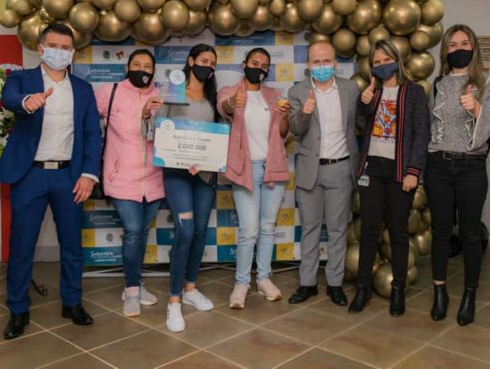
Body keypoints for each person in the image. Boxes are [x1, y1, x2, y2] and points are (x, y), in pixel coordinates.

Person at [0, 23, 101, 339]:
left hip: (70, 176)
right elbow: (9, 98)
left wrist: (88, 174)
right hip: (30, 175)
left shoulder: (83, 89)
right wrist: (28, 101)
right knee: (22, 245)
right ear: (41, 49)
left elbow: (92, 134)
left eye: (66, 48)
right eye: (53, 46)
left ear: (72, 52)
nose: (59, 52)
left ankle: (72, 302)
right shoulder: (21, 79)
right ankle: (18, 309)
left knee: (72, 245)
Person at [424, 25, 490, 326]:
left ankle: (470, 295)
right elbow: (431, 127)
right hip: (438, 166)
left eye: (464, 43)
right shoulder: (438, 83)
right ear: (445, 51)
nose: (458, 49)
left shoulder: (489, 82)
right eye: (452, 44)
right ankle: (439, 292)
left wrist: (477, 108)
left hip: (471, 167)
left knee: (470, 234)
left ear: (474, 47)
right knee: (441, 231)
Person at [348, 39, 430, 316]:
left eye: (387, 60)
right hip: (372, 170)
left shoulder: (414, 92)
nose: (382, 65)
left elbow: (422, 134)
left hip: (399, 172)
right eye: (377, 62)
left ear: (397, 61)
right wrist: (364, 104)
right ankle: (362, 289)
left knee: (398, 232)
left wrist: (413, 172)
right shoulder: (372, 93)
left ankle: (398, 289)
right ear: (372, 67)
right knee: (369, 230)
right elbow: (360, 127)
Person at [142, 44, 219, 332]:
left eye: (212, 63)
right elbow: (159, 132)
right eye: (203, 60)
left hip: (204, 174)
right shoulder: (173, 92)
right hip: (176, 173)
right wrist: (147, 115)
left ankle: (190, 289)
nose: (208, 66)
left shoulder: (211, 98)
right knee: (185, 231)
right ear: (191, 61)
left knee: (198, 232)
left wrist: (204, 159)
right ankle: (173, 302)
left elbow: (212, 138)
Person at [286, 41, 359, 307]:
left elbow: (359, 124)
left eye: (326, 61)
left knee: (338, 230)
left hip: (341, 168)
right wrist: (304, 114)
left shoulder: (350, 89)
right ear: (308, 65)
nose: (322, 66)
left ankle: (335, 284)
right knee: (310, 228)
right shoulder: (297, 91)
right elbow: (295, 129)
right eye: (316, 62)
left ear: (335, 63)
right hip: (310, 169)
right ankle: (307, 283)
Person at [217, 48, 290, 310]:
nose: (259, 67)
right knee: (249, 230)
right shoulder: (230, 91)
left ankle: (263, 279)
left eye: (264, 65)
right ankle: (241, 283)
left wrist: (284, 116)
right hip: (245, 169)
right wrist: (232, 103)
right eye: (254, 62)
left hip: (273, 167)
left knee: (267, 227)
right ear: (244, 64)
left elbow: (283, 134)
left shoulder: (274, 95)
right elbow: (224, 108)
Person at [94, 49, 164, 318]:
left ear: (153, 71)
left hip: (154, 179)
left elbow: (167, 136)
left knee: (142, 233)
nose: (142, 69)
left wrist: (149, 116)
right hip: (121, 177)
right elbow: (85, 124)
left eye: (147, 66)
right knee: (133, 230)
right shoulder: (109, 93)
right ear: (127, 67)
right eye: (137, 64)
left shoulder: (162, 97)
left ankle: (135, 282)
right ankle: (132, 289)